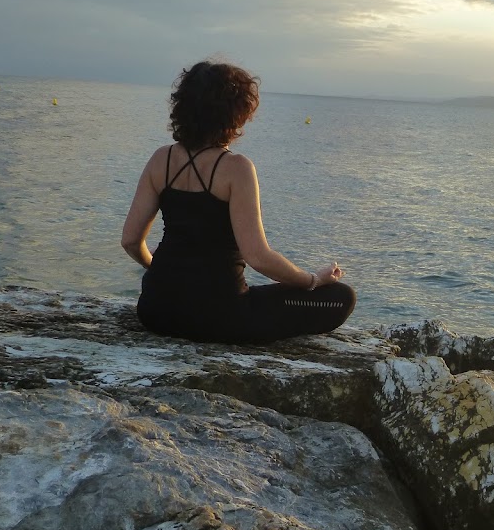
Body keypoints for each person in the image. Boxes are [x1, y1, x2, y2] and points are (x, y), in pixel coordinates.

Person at [121, 58, 355, 343]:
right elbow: (258, 257)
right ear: (236, 114)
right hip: (219, 316)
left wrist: (157, 268)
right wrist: (313, 280)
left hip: (155, 311)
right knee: (340, 297)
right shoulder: (236, 168)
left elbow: (131, 240)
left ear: (182, 106)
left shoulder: (161, 159)